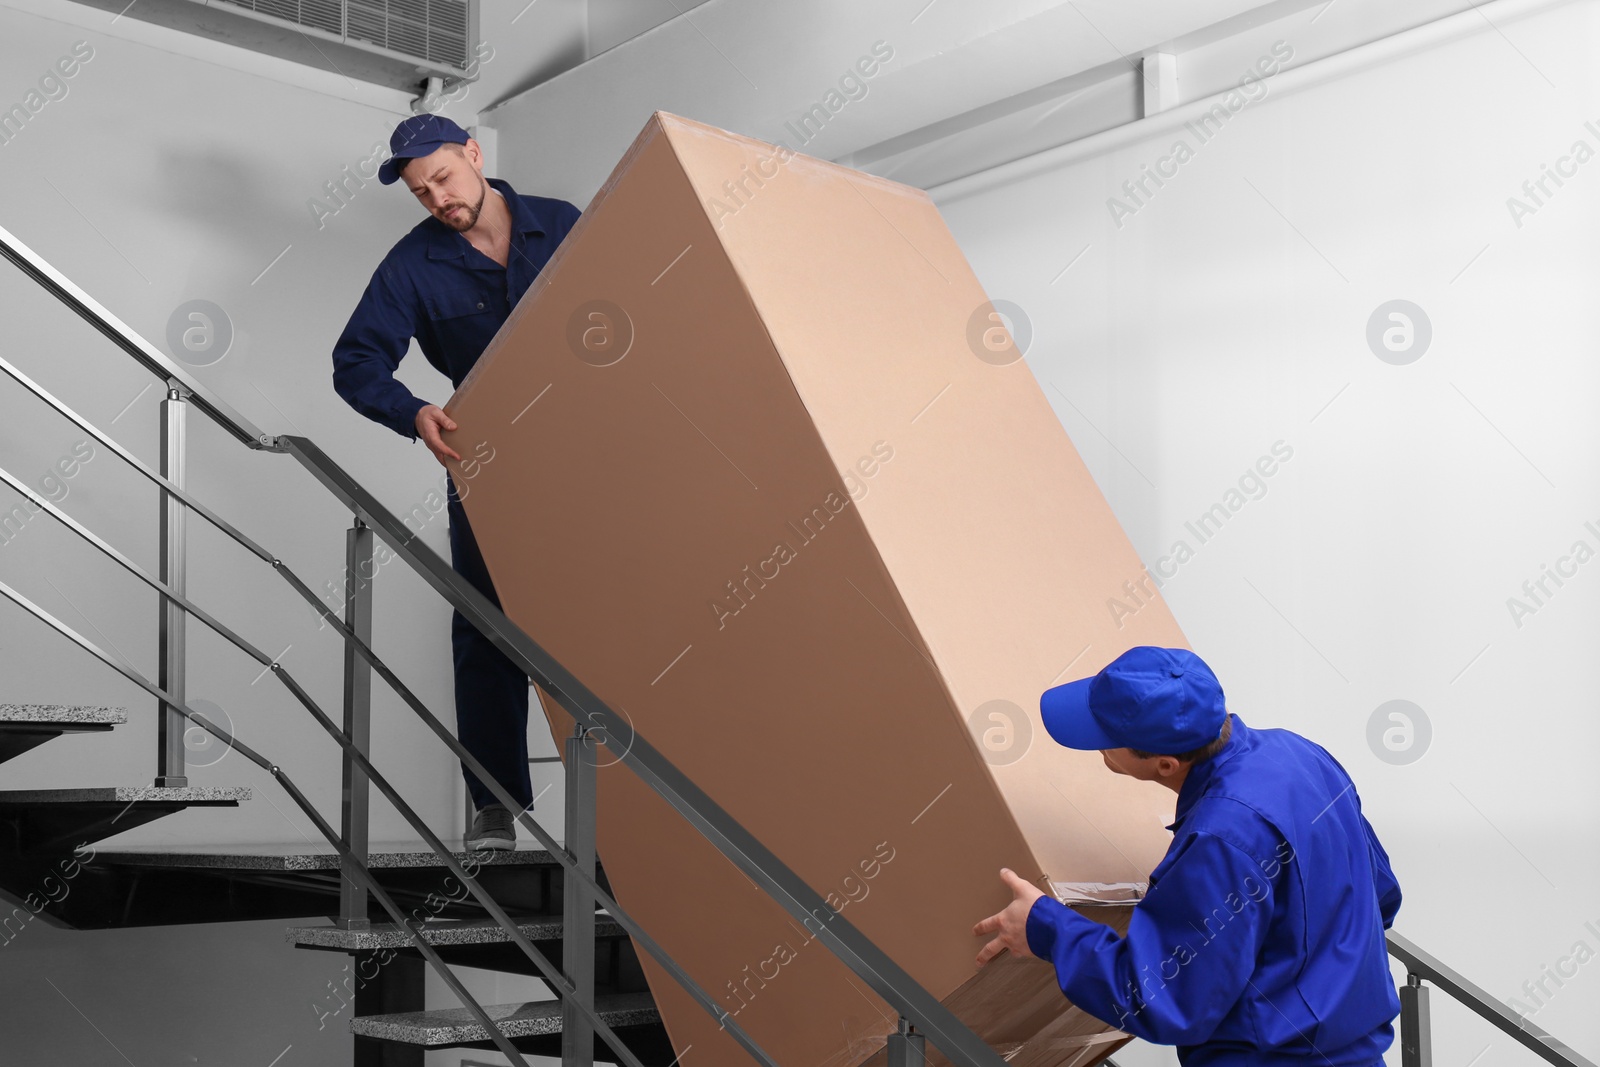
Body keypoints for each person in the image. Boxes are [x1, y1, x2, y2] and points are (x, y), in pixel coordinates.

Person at [330, 113, 582, 850]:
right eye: (420, 191)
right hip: (489, 463)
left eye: (442, 177)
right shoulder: (412, 265)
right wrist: (413, 412)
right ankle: (495, 806)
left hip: (590, 453)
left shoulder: (562, 225)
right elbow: (356, 362)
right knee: (487, 627)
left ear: (474, 154)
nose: (437, 198)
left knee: (607, 625)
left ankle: (630, 811)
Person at [973, 645, 1402, 1066]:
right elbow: (1380, 894)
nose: (1098, 747)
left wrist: (1045, 927)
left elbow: (1165, 999)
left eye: (1107, 740)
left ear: (1164, 765)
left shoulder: (1222, 837)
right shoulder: (1301, 755)